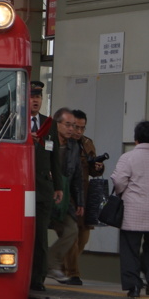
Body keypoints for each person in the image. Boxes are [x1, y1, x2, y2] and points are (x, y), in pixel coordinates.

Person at [110, 120, 149, 298]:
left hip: (133, 211)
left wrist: (122, 193)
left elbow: (119, 181)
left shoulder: (128, 157)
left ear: (136, 139)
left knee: (130, 248)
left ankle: (133, 286)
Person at [29, 81, 62, 291]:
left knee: (40, 236)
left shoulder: (48, 125)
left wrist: (58, 186)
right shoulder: (13, 122)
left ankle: (37, 278)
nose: (36, 100)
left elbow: (55, 159)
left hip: (42, 188)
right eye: (32, 97)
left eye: (39, 97)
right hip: (20, 188)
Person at [65, 110, 105, 280]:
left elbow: (95, 170)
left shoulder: (87, 143)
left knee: (84, 234)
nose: (79, 131)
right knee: (71, 233)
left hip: (85, 192)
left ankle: (63, 264)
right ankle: (73, 272)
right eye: (76, 127)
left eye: (82, 128)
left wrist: (98, 168)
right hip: (67, 192)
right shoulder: (62, 142)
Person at [47, 108, 84, 285]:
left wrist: (80, 201)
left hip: (65, 198)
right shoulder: (45, 141)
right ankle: (42, 267)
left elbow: (77, 176)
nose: (71, 129)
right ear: (57, 124)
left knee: (72, 230)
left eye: (74, 126)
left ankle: (51, 262)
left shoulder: (74, 147)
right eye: (68, 125)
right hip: (45, 196)